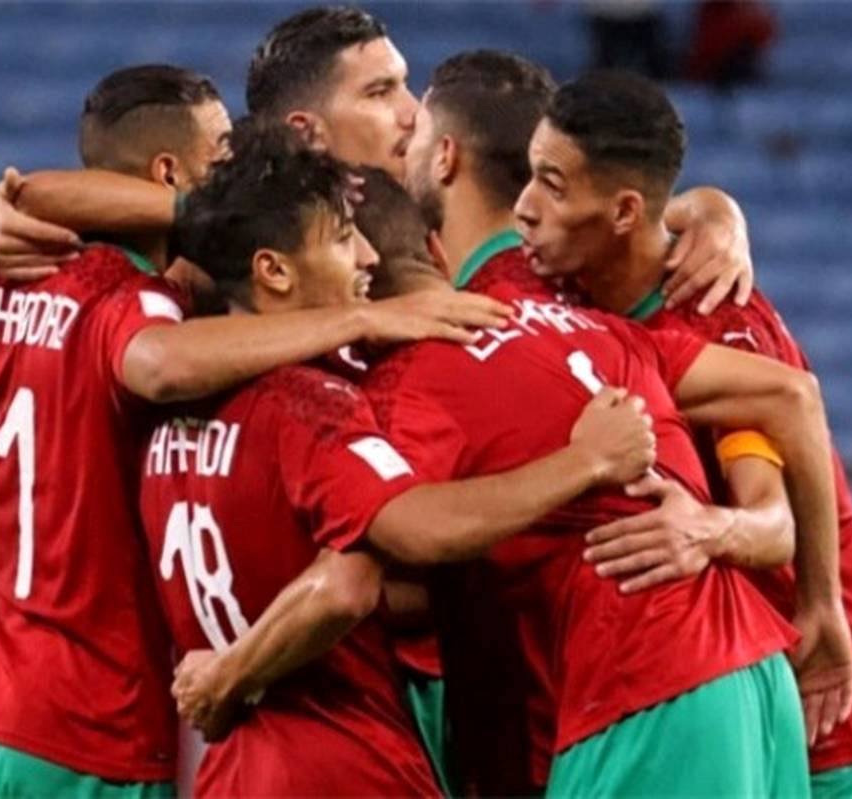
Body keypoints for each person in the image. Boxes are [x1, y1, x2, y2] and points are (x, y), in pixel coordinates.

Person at [0, 64, 508, 799]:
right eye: (219, 153)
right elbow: (158, 364)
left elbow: (36, 197)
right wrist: (359, 317)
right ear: (169, 173)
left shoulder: (3, 280)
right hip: (90, 717)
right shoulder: (140, 308)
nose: (229, 171)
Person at [378, 51, 846, 797]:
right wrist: (712, 208)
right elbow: (788, 401)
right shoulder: (593, 293)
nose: (402, 126)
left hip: (663, 687)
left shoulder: (428, 362)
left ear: (445, 157)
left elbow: (392, 547)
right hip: (749, 669)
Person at [141, 133, 656, 797]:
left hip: (231, 770)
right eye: (342, 237)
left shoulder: (167, 421)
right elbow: (365, 570)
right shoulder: (311, 403)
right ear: (274, 271)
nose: (368, 255)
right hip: (345, 765)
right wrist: (586, 460)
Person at [515, 69, 852, 797]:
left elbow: (774, 518)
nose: (525, 206)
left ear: (622, 211)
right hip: (743, 675)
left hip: (835, 699)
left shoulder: (715, 319)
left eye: (552, 184)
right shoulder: (579, 279)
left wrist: (713, 534)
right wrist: (713, 206)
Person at [0, 7, 755, 319]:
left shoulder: (441, 210)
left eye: (406, 85)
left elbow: (605, 203)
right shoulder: (233, 252)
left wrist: (711, 209)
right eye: (381, 93)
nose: (413, 112)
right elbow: (54, 199)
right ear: (307, 131)